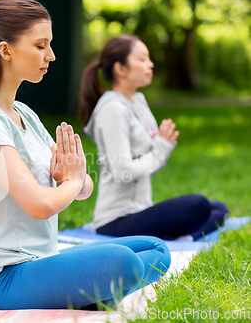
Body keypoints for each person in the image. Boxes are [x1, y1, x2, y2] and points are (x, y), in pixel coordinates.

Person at [0, 0, 171, 310]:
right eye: (41, 45)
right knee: (123, 262)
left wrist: (73, 179)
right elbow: (40, 205)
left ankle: (90, 296)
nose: (51, 55)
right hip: (0, 278)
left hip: (42, 259)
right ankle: (94, 296)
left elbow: (83, 186)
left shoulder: (24, 113)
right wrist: (71, 182)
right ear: (6, 50)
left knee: (155, 248)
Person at [79, 35, 229, 240]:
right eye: (141, 59)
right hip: (116, 220)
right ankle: (180, 235)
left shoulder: (138, 101)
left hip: (142, 209)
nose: (150, 64)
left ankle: (180, 236)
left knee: (218, 208)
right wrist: (161, 147)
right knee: (198, 204)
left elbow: (151, 153)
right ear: (120, 69)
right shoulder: (112, 109)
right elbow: (123, 170)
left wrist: (160, 147)